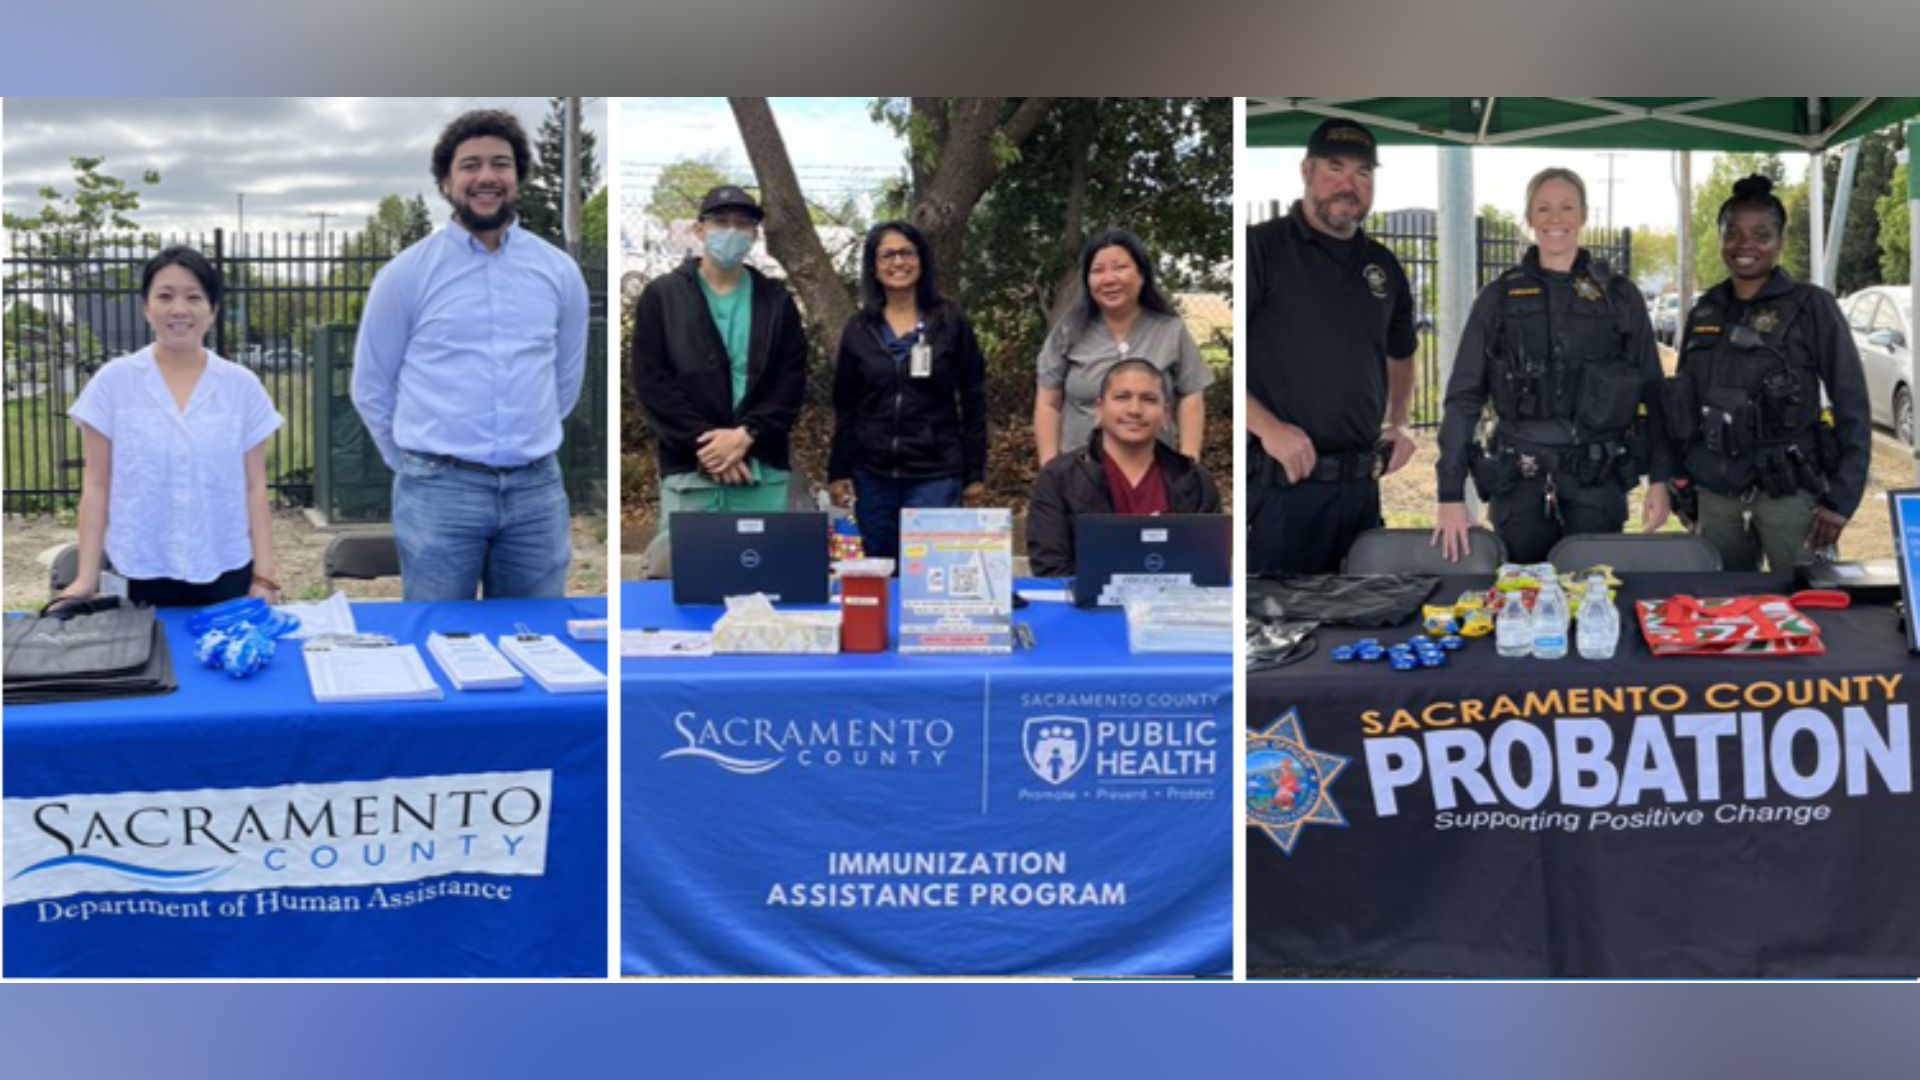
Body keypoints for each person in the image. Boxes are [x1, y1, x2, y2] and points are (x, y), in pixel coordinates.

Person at [352, 108, 590, 601]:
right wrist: (419, 463)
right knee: (440, 640)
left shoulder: (559, 273)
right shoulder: (406, 275)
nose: (487, 177)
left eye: (501, 164)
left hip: (536, 491)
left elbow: (564, 382)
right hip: (438, 491)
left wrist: (524, 443)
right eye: (470, 165)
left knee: (537, 641)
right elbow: (372, 385)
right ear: (445, 181)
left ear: (519, 177)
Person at [1431, 167, 1671, 564]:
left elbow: (1653, 390)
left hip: (1597, 480)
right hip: (1520, 480)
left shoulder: (1619, 296)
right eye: (1543, 208)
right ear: (1528, 217)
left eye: (1566, 207)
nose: (1554, 219)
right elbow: (1464, 397)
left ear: (1583, 215)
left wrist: (1660, 480)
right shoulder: (1499, 298)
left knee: (1594, 600)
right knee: (1521, 603)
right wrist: (1450, 494)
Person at [54, 246, 283, 609]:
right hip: (138, 569)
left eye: (194, 297)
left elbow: (255, 487)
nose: (179, 309)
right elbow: (96, 485)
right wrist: (85, 579)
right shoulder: (114, 382)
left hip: (224, 569)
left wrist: (265, 577)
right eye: (165, 296)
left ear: (213, 309)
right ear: (147, 308)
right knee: (140, 664)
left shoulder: (242, 387)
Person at [1667, 175, 1873, 572]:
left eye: (1760, 234)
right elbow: (1684, 406)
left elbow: (1853, 406)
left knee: (1809, 610)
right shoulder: (1706, 310)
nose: (1745, 246)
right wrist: (1682, 487)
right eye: (1733, 234)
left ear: (1779, 240)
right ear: (1721, 239)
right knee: (1721, 613)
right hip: (1716, 495)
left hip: (1790, 494)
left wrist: (1842, 499)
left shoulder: (1812, 307)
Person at [1245, 117, 1418, 575]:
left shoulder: (1382, 264)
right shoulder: (1260, 249)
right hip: (1283, 490)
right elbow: (1203, 372)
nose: (1349, 184)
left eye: (1363, 173)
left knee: (1359, 627)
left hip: (1361, 491)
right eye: (1335, 168)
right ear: (1306, 170)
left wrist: (1398, 423)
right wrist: (1268, 428)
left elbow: (1402, 352)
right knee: (1280, 635)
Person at [630, 185, 808, 534]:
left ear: (754, 235)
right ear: (699, 230)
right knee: (688, 583)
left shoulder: (775, 300)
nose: (731, 232)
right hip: (690, 472)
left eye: (742, 225)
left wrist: (746, 436)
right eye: (720, 222)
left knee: (760, 575)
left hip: (761, 469)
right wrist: (711, 448)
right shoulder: (663, 296)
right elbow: (652, 382)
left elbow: (790, 381)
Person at [827, 221, 988, 560]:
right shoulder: (860, 328)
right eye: (887, 255)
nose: (898, 262)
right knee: (882, 574)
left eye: (906, 253)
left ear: (922, 260)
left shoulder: (950, 321)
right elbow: (846, 405)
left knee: (931, 573)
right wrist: (839, 471)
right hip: (873, 477)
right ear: (874, 266)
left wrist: (974, 472)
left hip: (936, 474)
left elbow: (973, 400)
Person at [1026, 359, 1221, 577]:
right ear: (1099, 409)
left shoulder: (1194, 480)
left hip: (1173, 607)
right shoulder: (1060, 478)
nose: (1135, 410)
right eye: (1122, 397)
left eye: (1148, 399)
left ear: (1166, 414)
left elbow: (1208, 567)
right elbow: (1050, 567)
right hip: (1087, 607)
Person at [1033, 227, 1210, 466]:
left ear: (1142, 275)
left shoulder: (1170, 330)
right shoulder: (1068, 331)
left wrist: (1189, 461)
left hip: (1154, 472)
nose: (1109, 279)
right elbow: (1048, 403)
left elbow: (1191, 394)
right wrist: (1049, 466)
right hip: (1081, 473)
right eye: (1097, 270)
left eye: (1120, 267)